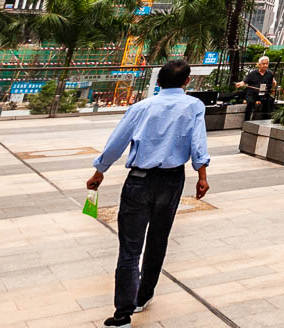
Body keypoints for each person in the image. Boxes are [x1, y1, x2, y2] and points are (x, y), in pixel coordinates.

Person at [87, 59, 210, 327]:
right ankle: (143, 296)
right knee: (158, 240)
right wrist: (202, 176)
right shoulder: (193, 106)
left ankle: (122, 315)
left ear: (159, 81)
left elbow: (116, 141)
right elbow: (198, 143)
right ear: (186, 81)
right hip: (172, 181)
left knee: (130, 248)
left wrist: (100, 171)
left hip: (138, 181)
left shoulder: (141, 107)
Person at [243, 55, 277, 120]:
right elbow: (244, 82)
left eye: (267, 64)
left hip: (263, 94)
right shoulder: (252, 73)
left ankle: (266, 120)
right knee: (250, 102)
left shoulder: (270, 73)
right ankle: (247, 121)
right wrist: (240, 84)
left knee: (270, 100)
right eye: (263, 64)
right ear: (259, 65)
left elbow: (273, 84)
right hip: (252, 94)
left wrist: (274, 83)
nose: (265, 65)